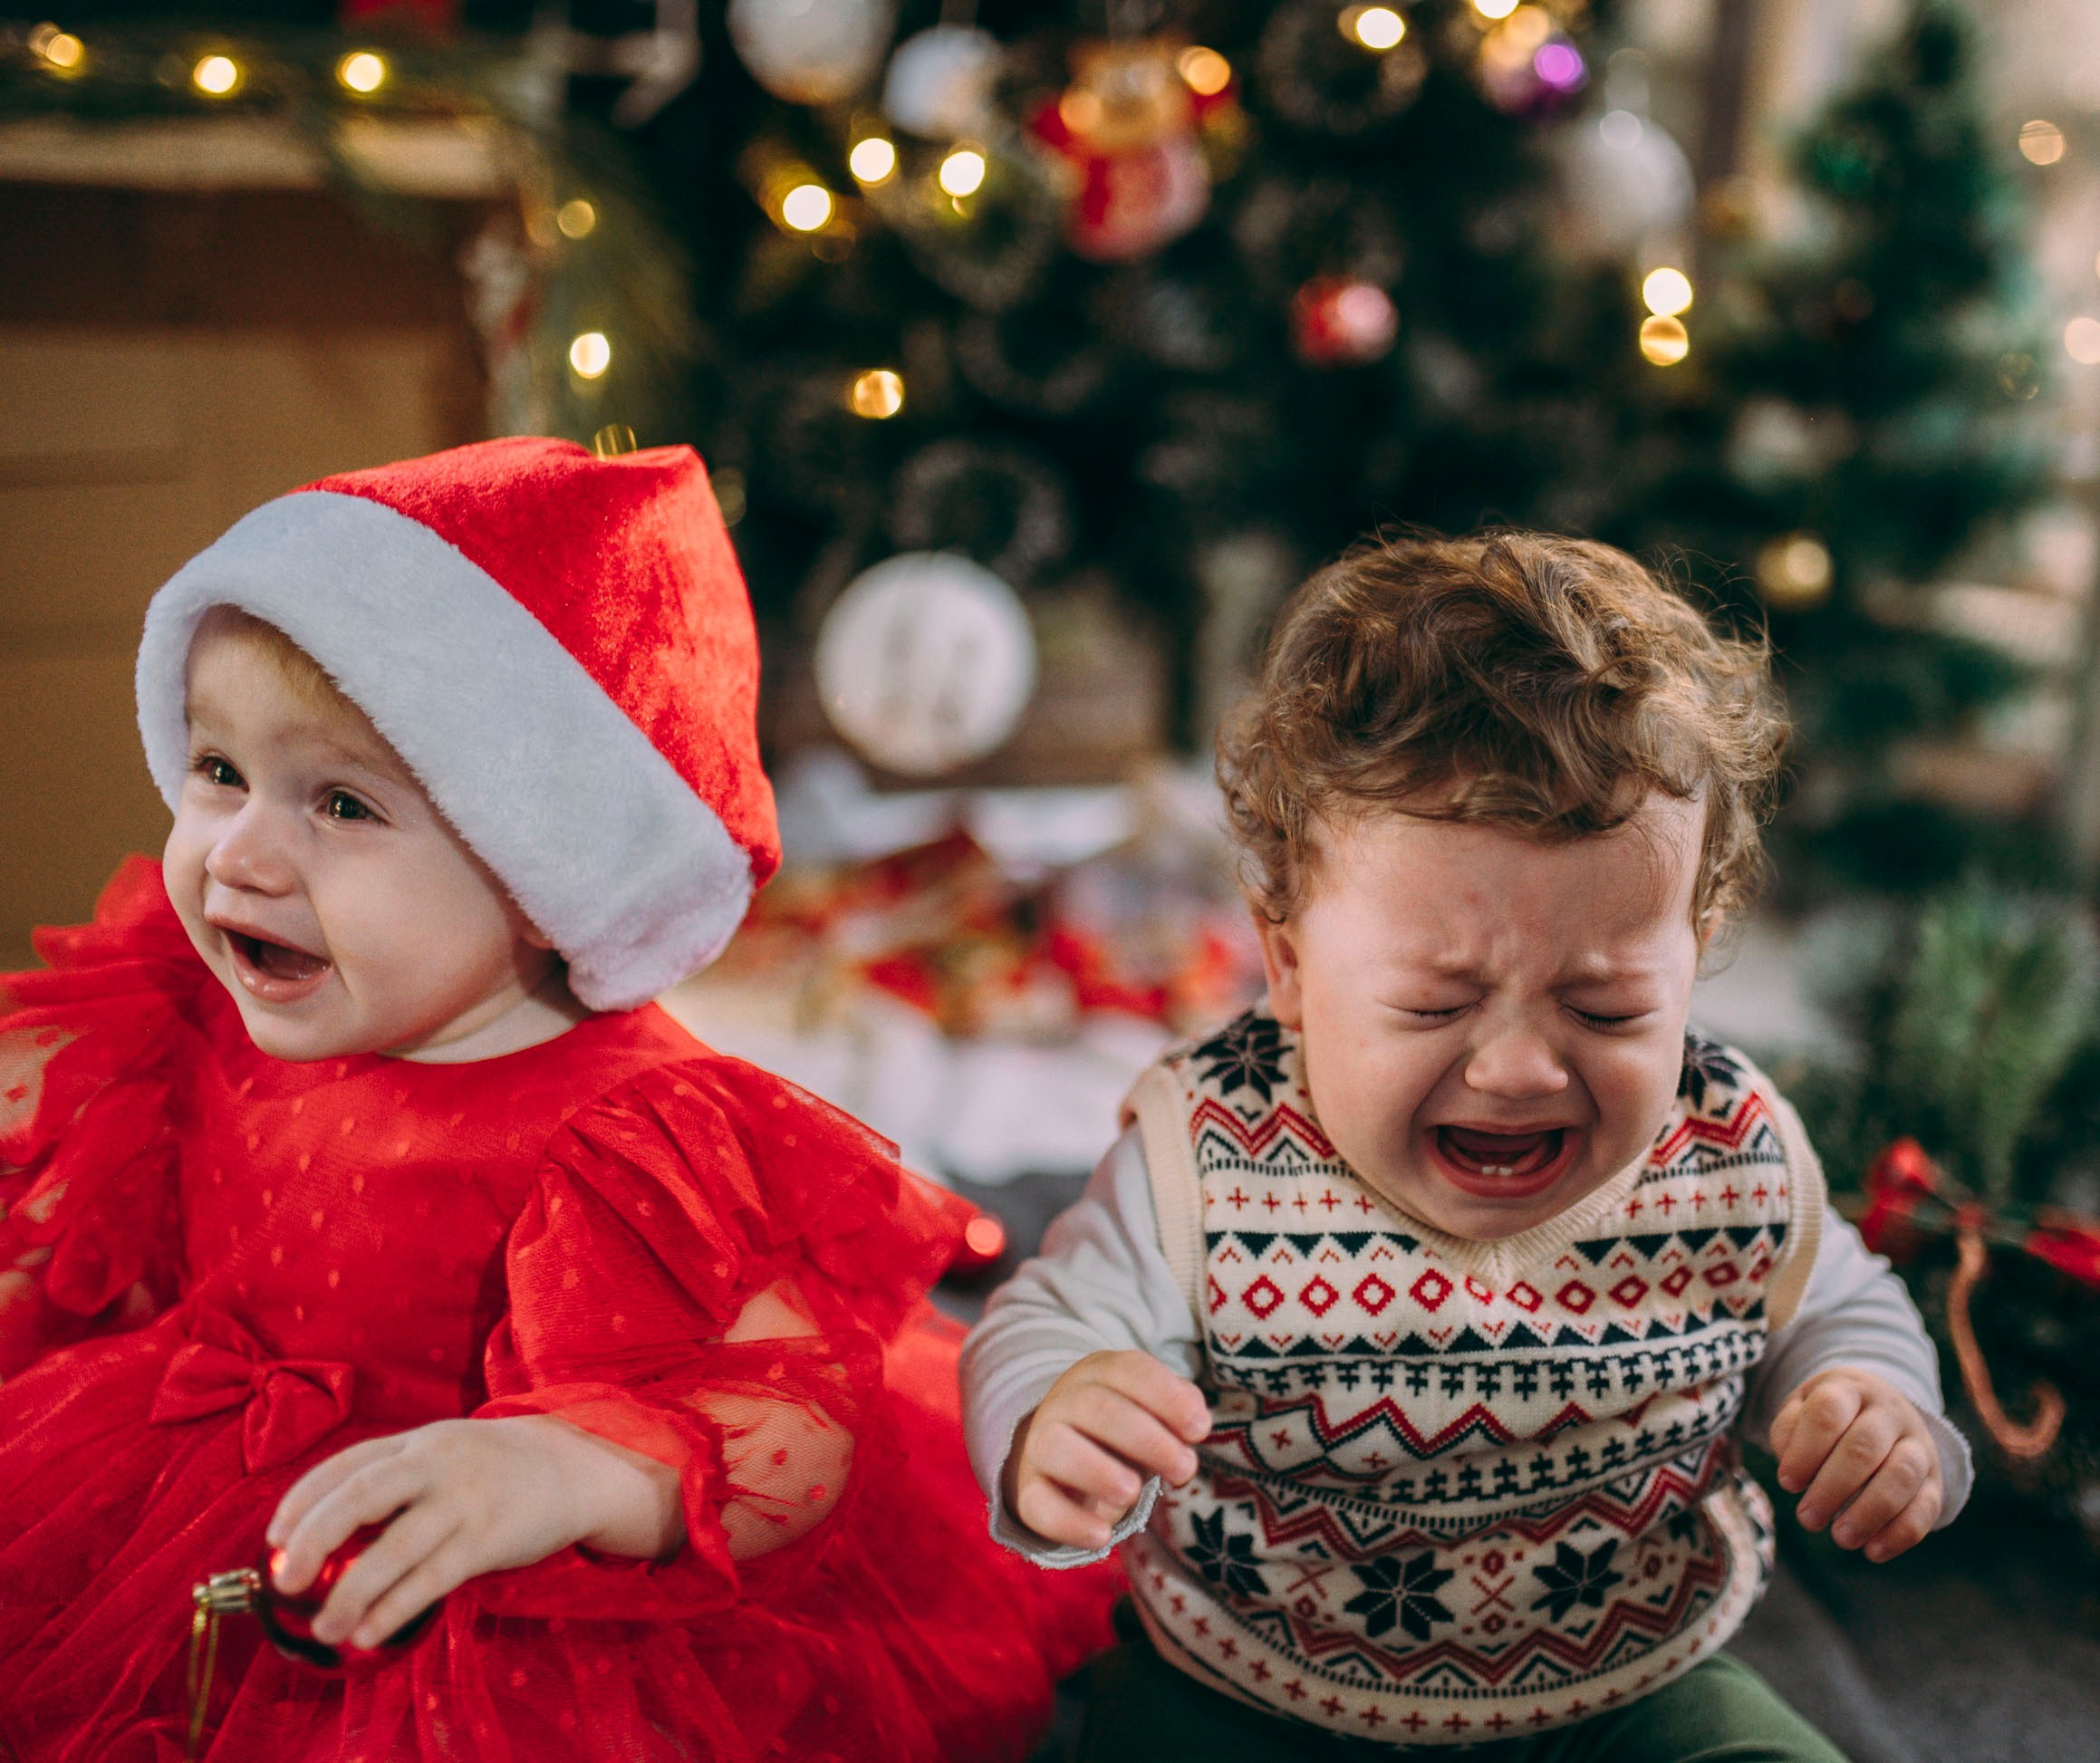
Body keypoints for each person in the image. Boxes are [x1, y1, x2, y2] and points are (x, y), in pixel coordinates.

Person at [0, 438, 1111, 1763]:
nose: (237, 850)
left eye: (342, 804)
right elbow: (113, 1248)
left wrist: (578, 1472)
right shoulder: (197, 1009)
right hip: (179, 1504)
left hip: (495, 1604)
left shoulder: (635, 1130)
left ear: (544, 864)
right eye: (220, 770)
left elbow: (790, 1421)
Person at [961, 533, 1971, 1761]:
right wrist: (1054, 1414)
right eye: (1432, 1005)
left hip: (1620, 1685)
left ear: (1694, 947)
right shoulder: (1210, 1152)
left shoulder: (1726, 1147)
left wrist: (1868, 1403)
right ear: (1287, 962)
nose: (1514, 1069)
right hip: (1256, 1682)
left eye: (1604, 1008)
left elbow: (1840, 1306)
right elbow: (1044, 1316)